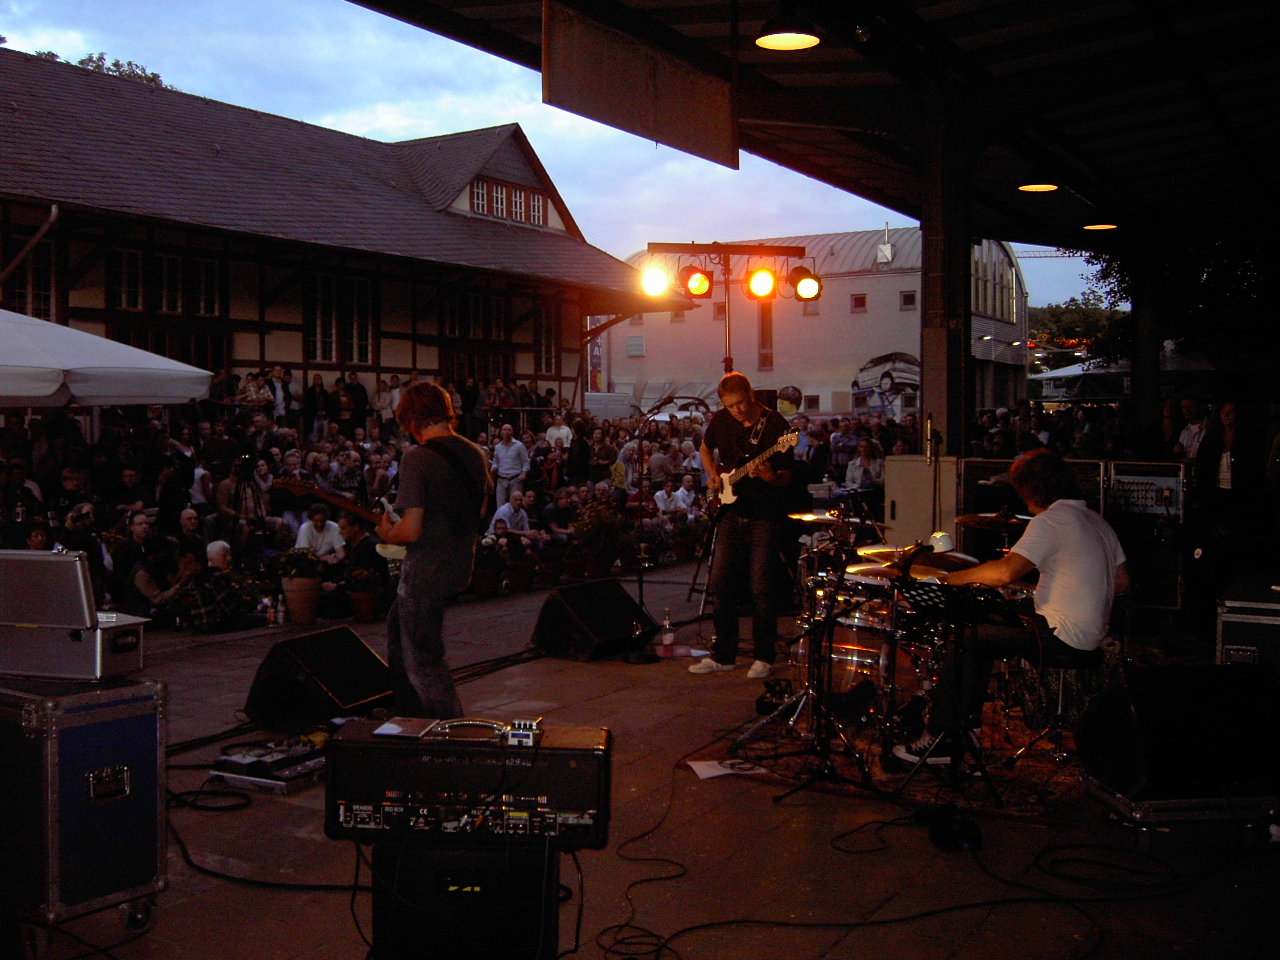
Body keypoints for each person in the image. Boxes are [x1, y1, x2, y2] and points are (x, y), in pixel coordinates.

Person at [893, 449, 1129, 765]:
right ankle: (967, 727)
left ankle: (941, 739)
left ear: (1029, 489)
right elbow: (1123, 582)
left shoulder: (1052, 521)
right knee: (985, 630)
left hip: (1061, 635)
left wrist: (951, 578)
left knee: (966, 636)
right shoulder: (1096, 521)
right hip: (1090, 634)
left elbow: (1005, 572)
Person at [377, 381, 491, 718]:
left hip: (425, 570)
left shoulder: (418, 458)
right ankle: (407, 714)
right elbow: (480, 510)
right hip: (459, 564)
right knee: (398, 634)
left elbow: (410, 530)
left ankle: (446, 731)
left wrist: (387, 532)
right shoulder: (474, 452)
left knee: (424, 662)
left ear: (411, 418)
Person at [689, 372, 793, 680]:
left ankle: (764, 655)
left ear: (751, 395)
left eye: (740, 403)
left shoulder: (776, 427)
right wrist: (712, 475)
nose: (737, 410)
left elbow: (787, 475)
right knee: (721, 584)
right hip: (730, 512)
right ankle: (724, 655)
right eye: (730, 405)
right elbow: (705, 449)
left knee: (761, 587)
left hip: (764, 514)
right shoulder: (721, 420)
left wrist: (771, 476)